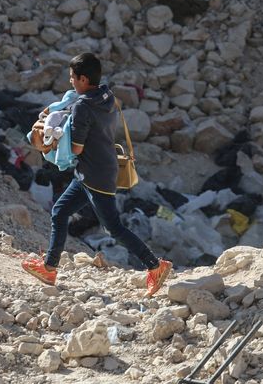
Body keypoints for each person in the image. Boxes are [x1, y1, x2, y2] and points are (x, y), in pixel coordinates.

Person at [22, 52, 173, 297]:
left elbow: (76, 149)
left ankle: (155, 266)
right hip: (96, 169)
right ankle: (49, 268)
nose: (70, 81)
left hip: (95, 175)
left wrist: (49, 144)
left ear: (83, 79)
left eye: (72, 78)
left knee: (113, 228)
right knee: (60, 212)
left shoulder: (83, 105)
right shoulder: (105, 94)